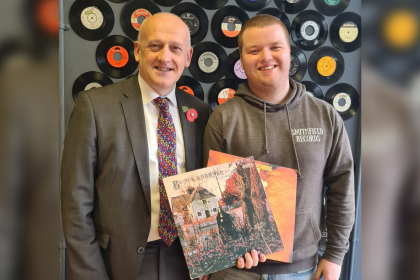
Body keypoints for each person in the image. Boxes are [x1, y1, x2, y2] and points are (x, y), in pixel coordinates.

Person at [61, 13, 212, 280]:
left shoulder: (199, 113)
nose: (165, 57)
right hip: (120, 263)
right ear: (137, 50)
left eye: (175, 48)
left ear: (188, 58)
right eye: (155, 46)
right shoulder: (94, 106)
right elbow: (75, 204)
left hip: (187, 263)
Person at [203, 14, 355, 280]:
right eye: (254, 50)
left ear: (289, 52)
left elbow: (342, 188)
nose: (266, 57)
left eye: (275, 47)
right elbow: (211, 197)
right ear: (241, 59)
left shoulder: (325, 116)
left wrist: (334, 255)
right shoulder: (223, 119)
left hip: (303, 270)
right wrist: (227, 247)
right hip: (236, 271)